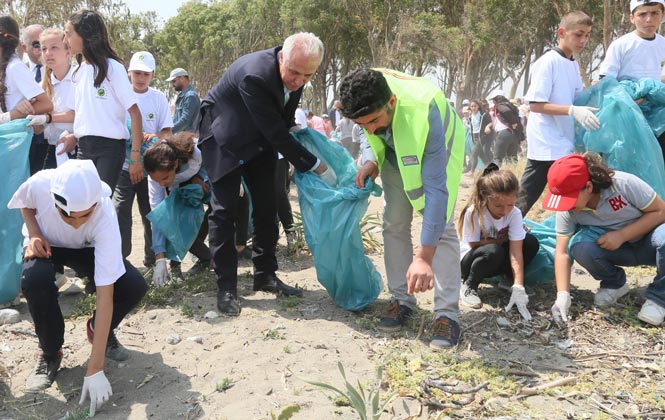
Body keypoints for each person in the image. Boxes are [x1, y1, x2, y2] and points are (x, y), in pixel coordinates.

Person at [198, 32, 334, 316]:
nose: (298, 81)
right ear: (281, 57)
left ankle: (265, 275)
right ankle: (226, 288)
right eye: (294, 72)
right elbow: (275, 132)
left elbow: (282, 123)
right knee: (224, 211)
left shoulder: (297, 73)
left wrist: (299, 133)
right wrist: (315, 164)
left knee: (267, 205)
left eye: (307, 75)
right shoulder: (255, 75)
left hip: (258, 138)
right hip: (225, 135)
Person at [8, 159, 147, 415]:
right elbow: (25, 204)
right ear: (54, 199)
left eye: (86, 215)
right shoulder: (41, 183)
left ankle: (99, 332)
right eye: (68, 215)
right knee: (34, 281)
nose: (77, 223)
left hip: (87, 248)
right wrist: (35, 232)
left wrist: (95, 369)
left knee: (132, 284)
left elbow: (106, 293)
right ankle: (50, 353)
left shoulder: (105, 214)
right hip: (47, 244)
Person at [339, 68, 465, 350]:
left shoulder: (425, 112)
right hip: (396, 154)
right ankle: (401, 299)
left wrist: (424, 257)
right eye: (363, 124)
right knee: (393, 223)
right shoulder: (366, 90)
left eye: (374, 120)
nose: (370, 128)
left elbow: (435, 192)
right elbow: (368, 133)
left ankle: (447, 315)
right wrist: (371, 158)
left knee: (441, 228)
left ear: (392, 102)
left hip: (438, 149)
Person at [542, 153, 665, 327]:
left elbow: (660, 211)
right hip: (619, 251)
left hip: (651, 244)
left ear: (588, 187)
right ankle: (615, 284)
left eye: (568, 199)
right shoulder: (568, 210)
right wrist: (563, 295)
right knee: (580, 247)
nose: (566, 206)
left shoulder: (623, 184)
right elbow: (562, 252)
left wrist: (622, 235)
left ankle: (659, 299)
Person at [516, 11, 600, 217]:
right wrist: (572, 110)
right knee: (526, 197)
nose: (584, 40)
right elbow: (535, 104)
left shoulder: (573, 63)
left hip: (563, 140)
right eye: (578, 34)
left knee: (571, 196)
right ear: (561, 32)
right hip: (547, 142)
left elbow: (576, 98)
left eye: (588, 35)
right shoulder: (548, 61)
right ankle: (501, 233)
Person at [60, 9, 143, 191]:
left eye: (68, 34)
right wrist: (74, 135)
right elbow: (84, 115)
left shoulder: (113, 68)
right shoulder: (78, 71)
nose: (65, 41)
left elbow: (135, 114)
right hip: (83, 149)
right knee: (83, 205)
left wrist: (136, 157)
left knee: (99, 203)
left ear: (85, 35)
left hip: (110, 150)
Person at [113, 51, 173, 269]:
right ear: (129, 73)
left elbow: (167, 132)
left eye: (146, 74)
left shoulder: (158, 98)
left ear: (153, 75)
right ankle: (120, 261)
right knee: (120, 212)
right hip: (122, 167)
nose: (141, 78)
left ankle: (152, 259)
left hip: (151, 169)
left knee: (151, 213)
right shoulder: (118, 95)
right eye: (137, 72)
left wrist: (156, 137)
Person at [457, 164, 539, 318]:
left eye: (510, 204)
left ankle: (509, 280)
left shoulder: (514, 213)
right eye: (498, 206)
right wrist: (502, 239)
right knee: (492, 251)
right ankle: (469, 285)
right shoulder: (474, 212)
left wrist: (519, 285)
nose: (505, 211)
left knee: (530, 242)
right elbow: (474, 244)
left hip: (496, 257)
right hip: (471, 260)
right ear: (485, 198)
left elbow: (516, 251)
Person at [599, 0, 665, 162]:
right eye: (642, 14)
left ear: (662, 15)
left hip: (658, 117)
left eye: (655, 13)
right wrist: (630, 102)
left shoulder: (662, 43)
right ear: (631, 18)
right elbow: (606, 81)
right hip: (627, 114)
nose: (649, 19)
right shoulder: (621, 45)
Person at [144, 132, 211, 286]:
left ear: (175, 165)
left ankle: (210, 256)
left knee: (217, 209)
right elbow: (158, 218)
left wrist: (200, 177)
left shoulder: (195, 153)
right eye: (156, 180)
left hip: (203, 183)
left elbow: (214, 164)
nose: (160, 183)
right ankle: (175, 265)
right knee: (174, 221)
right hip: (177, 190)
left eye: (164, 179)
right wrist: (159, 258)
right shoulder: (156, 180)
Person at [26, 28, 76, 171]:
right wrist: (30, 117)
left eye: (54, 47)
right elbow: (39, 129)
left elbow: (77, 115)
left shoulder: (80, 78)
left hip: (77, 148)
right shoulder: (40, 86)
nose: (48, 53)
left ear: (68, 51)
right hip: (51, 150)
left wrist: (47, 118)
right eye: (44, 49)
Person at [0, 17, 52, 135]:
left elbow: (46, 104)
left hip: (17, 138)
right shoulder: (6, 67)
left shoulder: (15, 67)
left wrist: (6, 117)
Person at [487, 90, 523, 165]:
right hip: (513, 134)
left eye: (494, 99)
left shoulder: (500, 105)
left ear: (498, 98)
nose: (493, 101)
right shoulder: (509, 105)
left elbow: (506, 111)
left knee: (497, 159)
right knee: (512, 160)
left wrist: (513, 122)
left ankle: (493, 176)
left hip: (504, 133)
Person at [167, 67, 200, 134]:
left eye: (174, 81)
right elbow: (177, 119)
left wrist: (168, 132)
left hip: (187, 140)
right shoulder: (182, 95)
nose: (173, 85)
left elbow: (185, 120)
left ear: (182, 79)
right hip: (180, 137)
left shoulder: (190, 96)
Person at [467, 99, 492, 177]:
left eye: (475, 106)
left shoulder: (483, 115)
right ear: (470, 107)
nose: (473, 108)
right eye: (472, 106)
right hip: (474, 136)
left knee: (474, 152)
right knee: (481, 155)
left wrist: (487, 126)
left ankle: (472, 171)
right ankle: (490, 169)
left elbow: (491, 122)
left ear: (478, 106)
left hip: (482, 136)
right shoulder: (470, 116)